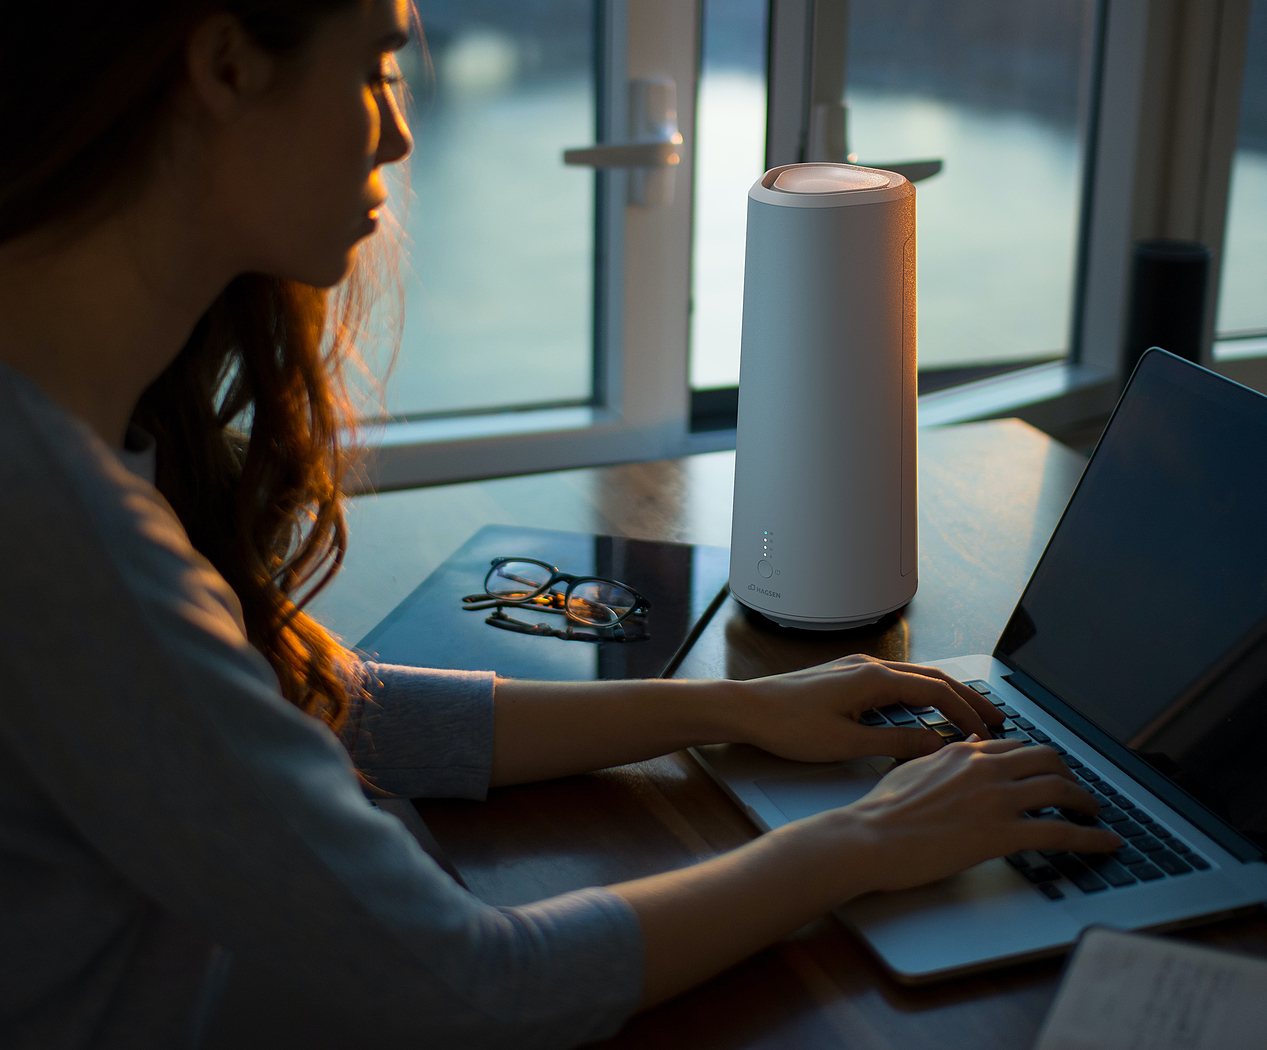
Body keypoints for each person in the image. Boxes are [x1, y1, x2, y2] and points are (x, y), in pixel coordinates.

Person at [0, 1, 1120, 1046]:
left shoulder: (67, 432)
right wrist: (860, 841)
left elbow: (312, 712)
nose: (396, 132)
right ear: (226, 63)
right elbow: (476, 984)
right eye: (376, 65)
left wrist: (729, 709)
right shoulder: (66, 537)